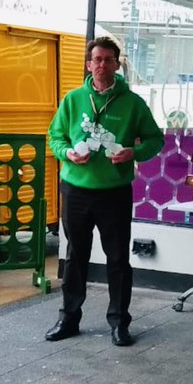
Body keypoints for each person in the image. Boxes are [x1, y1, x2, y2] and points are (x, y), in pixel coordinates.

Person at [45, 36, 164, 346]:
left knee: (118, 259)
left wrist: (133, 152)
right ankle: (69, 318)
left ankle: (119, 323)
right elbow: (55, 137)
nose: (102, 65)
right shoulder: (73, 100)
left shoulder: (133, 103)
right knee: (75, 256)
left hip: (114, 192)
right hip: (76, 190)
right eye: (96, 59)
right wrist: (67, 153)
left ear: (117, 64)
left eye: (108, 59)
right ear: (89, 64)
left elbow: (155, 140)